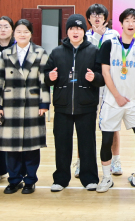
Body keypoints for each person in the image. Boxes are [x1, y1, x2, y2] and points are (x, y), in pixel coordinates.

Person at [94, 8, 135, 193]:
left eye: (134, 21)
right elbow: (105, 73)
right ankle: (106, 178)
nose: (131, 24)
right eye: (127, 20)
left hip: (132, 101)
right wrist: (117, 96)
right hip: (112, 101)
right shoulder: (109, 44)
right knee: (107, 141)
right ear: (121, 24)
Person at [45, 14, 105, 192]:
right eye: (72, 28)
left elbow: (102, 77)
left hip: (86, 105)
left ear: (84, 31)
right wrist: (50, 77)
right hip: (62, 106)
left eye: (79, 28)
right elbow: (46, 75)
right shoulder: (57, 52)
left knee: (87, 144)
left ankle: (90, 178)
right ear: (67, 31)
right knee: (62, 144)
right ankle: (61, 179)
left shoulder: (93, 51)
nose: (75, 32)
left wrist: (95, 77)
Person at [0, 19, 50, 194]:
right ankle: (14, 180)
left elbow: (44, 80)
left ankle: (30, 180)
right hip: (10, 105)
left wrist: (44, 103)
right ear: (14, 33)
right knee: (12, 147)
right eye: (19, 31)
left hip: (33, 104)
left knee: (32, 146)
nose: (22, 34)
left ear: (31, 33)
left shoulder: (40, 52)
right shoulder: (6, 53)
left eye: (26, 31)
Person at [82, 4, 120, 178]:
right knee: (85, 125)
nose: (97, 17)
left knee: (113, 125)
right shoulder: (84, 35)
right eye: (93, 14)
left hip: (109, 82)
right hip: (90, 82)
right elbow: (89, 56)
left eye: (100, 14)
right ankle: (81, 162)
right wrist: (96, 36)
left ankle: (116, 160)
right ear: (89, 18)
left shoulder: (114, 35)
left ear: (105, 17)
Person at [0, 16, 15, 180]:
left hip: (13, 97)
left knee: (11, 135)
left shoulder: (18, 48)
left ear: (12, 29)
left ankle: (14, 171)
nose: (3, 29)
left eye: (6, 26)